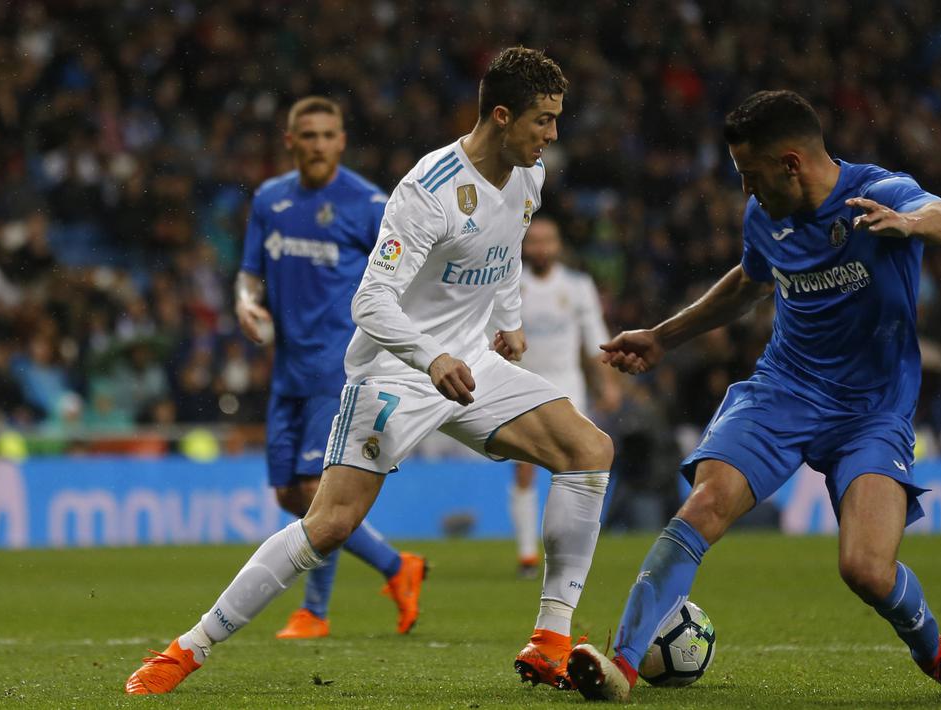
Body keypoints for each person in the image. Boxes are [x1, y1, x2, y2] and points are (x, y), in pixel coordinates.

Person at [126, 48, 613, 695]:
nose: (552, 134)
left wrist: (510, 317)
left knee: (588, 450)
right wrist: (430, 357)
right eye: (542, 120)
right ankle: (187, 649)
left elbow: (506, 250)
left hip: (471, 365)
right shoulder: (428, 189)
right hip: (396, 371)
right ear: (501, 116)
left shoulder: (530, 175)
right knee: (328, 525)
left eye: (555, 119)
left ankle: (549, 640)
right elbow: (370, 300)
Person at [567, 90, 941, 701]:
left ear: (791, 163)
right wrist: (664, 337)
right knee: (704, 505)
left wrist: (908, 224)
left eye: (751, 173)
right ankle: (623, 666)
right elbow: (748, 284)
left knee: (865, 569)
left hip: (872, 413)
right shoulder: (762, 216)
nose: (746, 188)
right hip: (784, 390)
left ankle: (937, 655)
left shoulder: (877, 192)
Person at [229, 96, 427, 642]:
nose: (318, 145)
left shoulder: (369, 204)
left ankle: (314, 611)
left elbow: (406, 276)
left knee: (316, 490)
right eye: (308, 135)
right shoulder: (270, 200)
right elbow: (249, 272)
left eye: (327, 135)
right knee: (289, 497)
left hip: (339, 366)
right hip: (288, 369)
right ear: (290, 141)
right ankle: (397, 566)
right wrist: (245, 303)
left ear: (341, 141)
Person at [510, 216, 620, 578]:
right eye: (534, 241)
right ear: (525, 246)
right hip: (524, 385)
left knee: (577, 468)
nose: (541, 248)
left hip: (567, 387)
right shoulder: (511, 284)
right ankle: (527, 554)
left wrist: (607, 384)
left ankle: (568, 552)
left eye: (548, 241)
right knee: (524, 467)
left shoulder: (577, 286)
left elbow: (595, 340)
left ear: (558, 246)